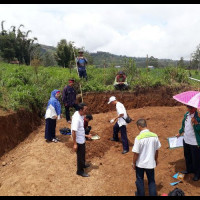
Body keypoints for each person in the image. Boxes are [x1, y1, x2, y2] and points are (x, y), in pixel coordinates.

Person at [132, 119, 161, 196]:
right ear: (146, 125)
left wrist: (133, 163)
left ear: (139, 126)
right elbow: (157, 150)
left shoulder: (138, 138)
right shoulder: (154, 136)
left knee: (140, 180)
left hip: (140, 164)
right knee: (151, 181)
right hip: (150, 163)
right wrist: (156, 159)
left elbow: (136, 153)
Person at [176, 105, 200, 181]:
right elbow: (183, 125)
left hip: (194, 142)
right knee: (187, 156)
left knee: (196, 159)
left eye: (191, 108)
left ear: (195, 108)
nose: (189, 109)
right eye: (188, 108)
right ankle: (189, 169)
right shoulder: (186, 115)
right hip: (186, 140)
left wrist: (196, 123)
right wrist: (180, 132)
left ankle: (197, 174)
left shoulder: (198, 117)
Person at [71, 103, 92, 177]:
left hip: (81, 138)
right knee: (80, 155)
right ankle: (79, 171)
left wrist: (86, 135)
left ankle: (83, 164)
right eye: (85, 110)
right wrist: (75, 144)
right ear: (80, 110)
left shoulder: (80, 114)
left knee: (83, 153)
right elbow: (73, 131)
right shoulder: (76, 119)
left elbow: (80, 130)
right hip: (78, 140)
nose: (86, 111)